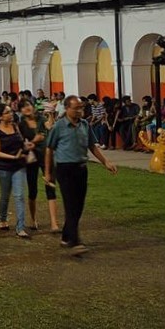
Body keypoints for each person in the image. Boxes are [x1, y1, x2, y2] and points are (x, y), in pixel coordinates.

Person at [44, 95, 118, 256]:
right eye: (76, 108)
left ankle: (66, 236)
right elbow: (49, 149)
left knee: (78, 205)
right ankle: (74, 241)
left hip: (81, 168)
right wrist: (48, 173)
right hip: (65, 169)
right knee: (71, 205)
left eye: (81, 108)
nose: (80, 111)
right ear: (67, 108)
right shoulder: (59, 127)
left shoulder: (85, 125)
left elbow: (92, 146)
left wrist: (106, 162)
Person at [17, 99, 59, 233]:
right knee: (32, 189)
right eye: (23, 107)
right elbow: (20, 142)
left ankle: (54, 222)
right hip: (31, 158)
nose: (26, 108)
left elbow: (49, 126)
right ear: (20, 111)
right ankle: (33, 219)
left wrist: (51, 114)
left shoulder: (41, 118)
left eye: (28, 105)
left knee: (50, 187)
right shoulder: (21, 124)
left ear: (33, 106)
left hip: (46, 156)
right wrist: (29, 144)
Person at [0, 104, 31, 239]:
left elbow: (21, 143)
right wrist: (13, 157)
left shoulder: (15, 127)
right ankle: (3, 219)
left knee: (19, 196)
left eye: (10, 112)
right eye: (7, 112)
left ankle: (20, 227)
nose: (11, 114)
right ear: (0, 117)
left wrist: (26, 147)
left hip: (19, 166)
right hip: (4, 168)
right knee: (5, 195)